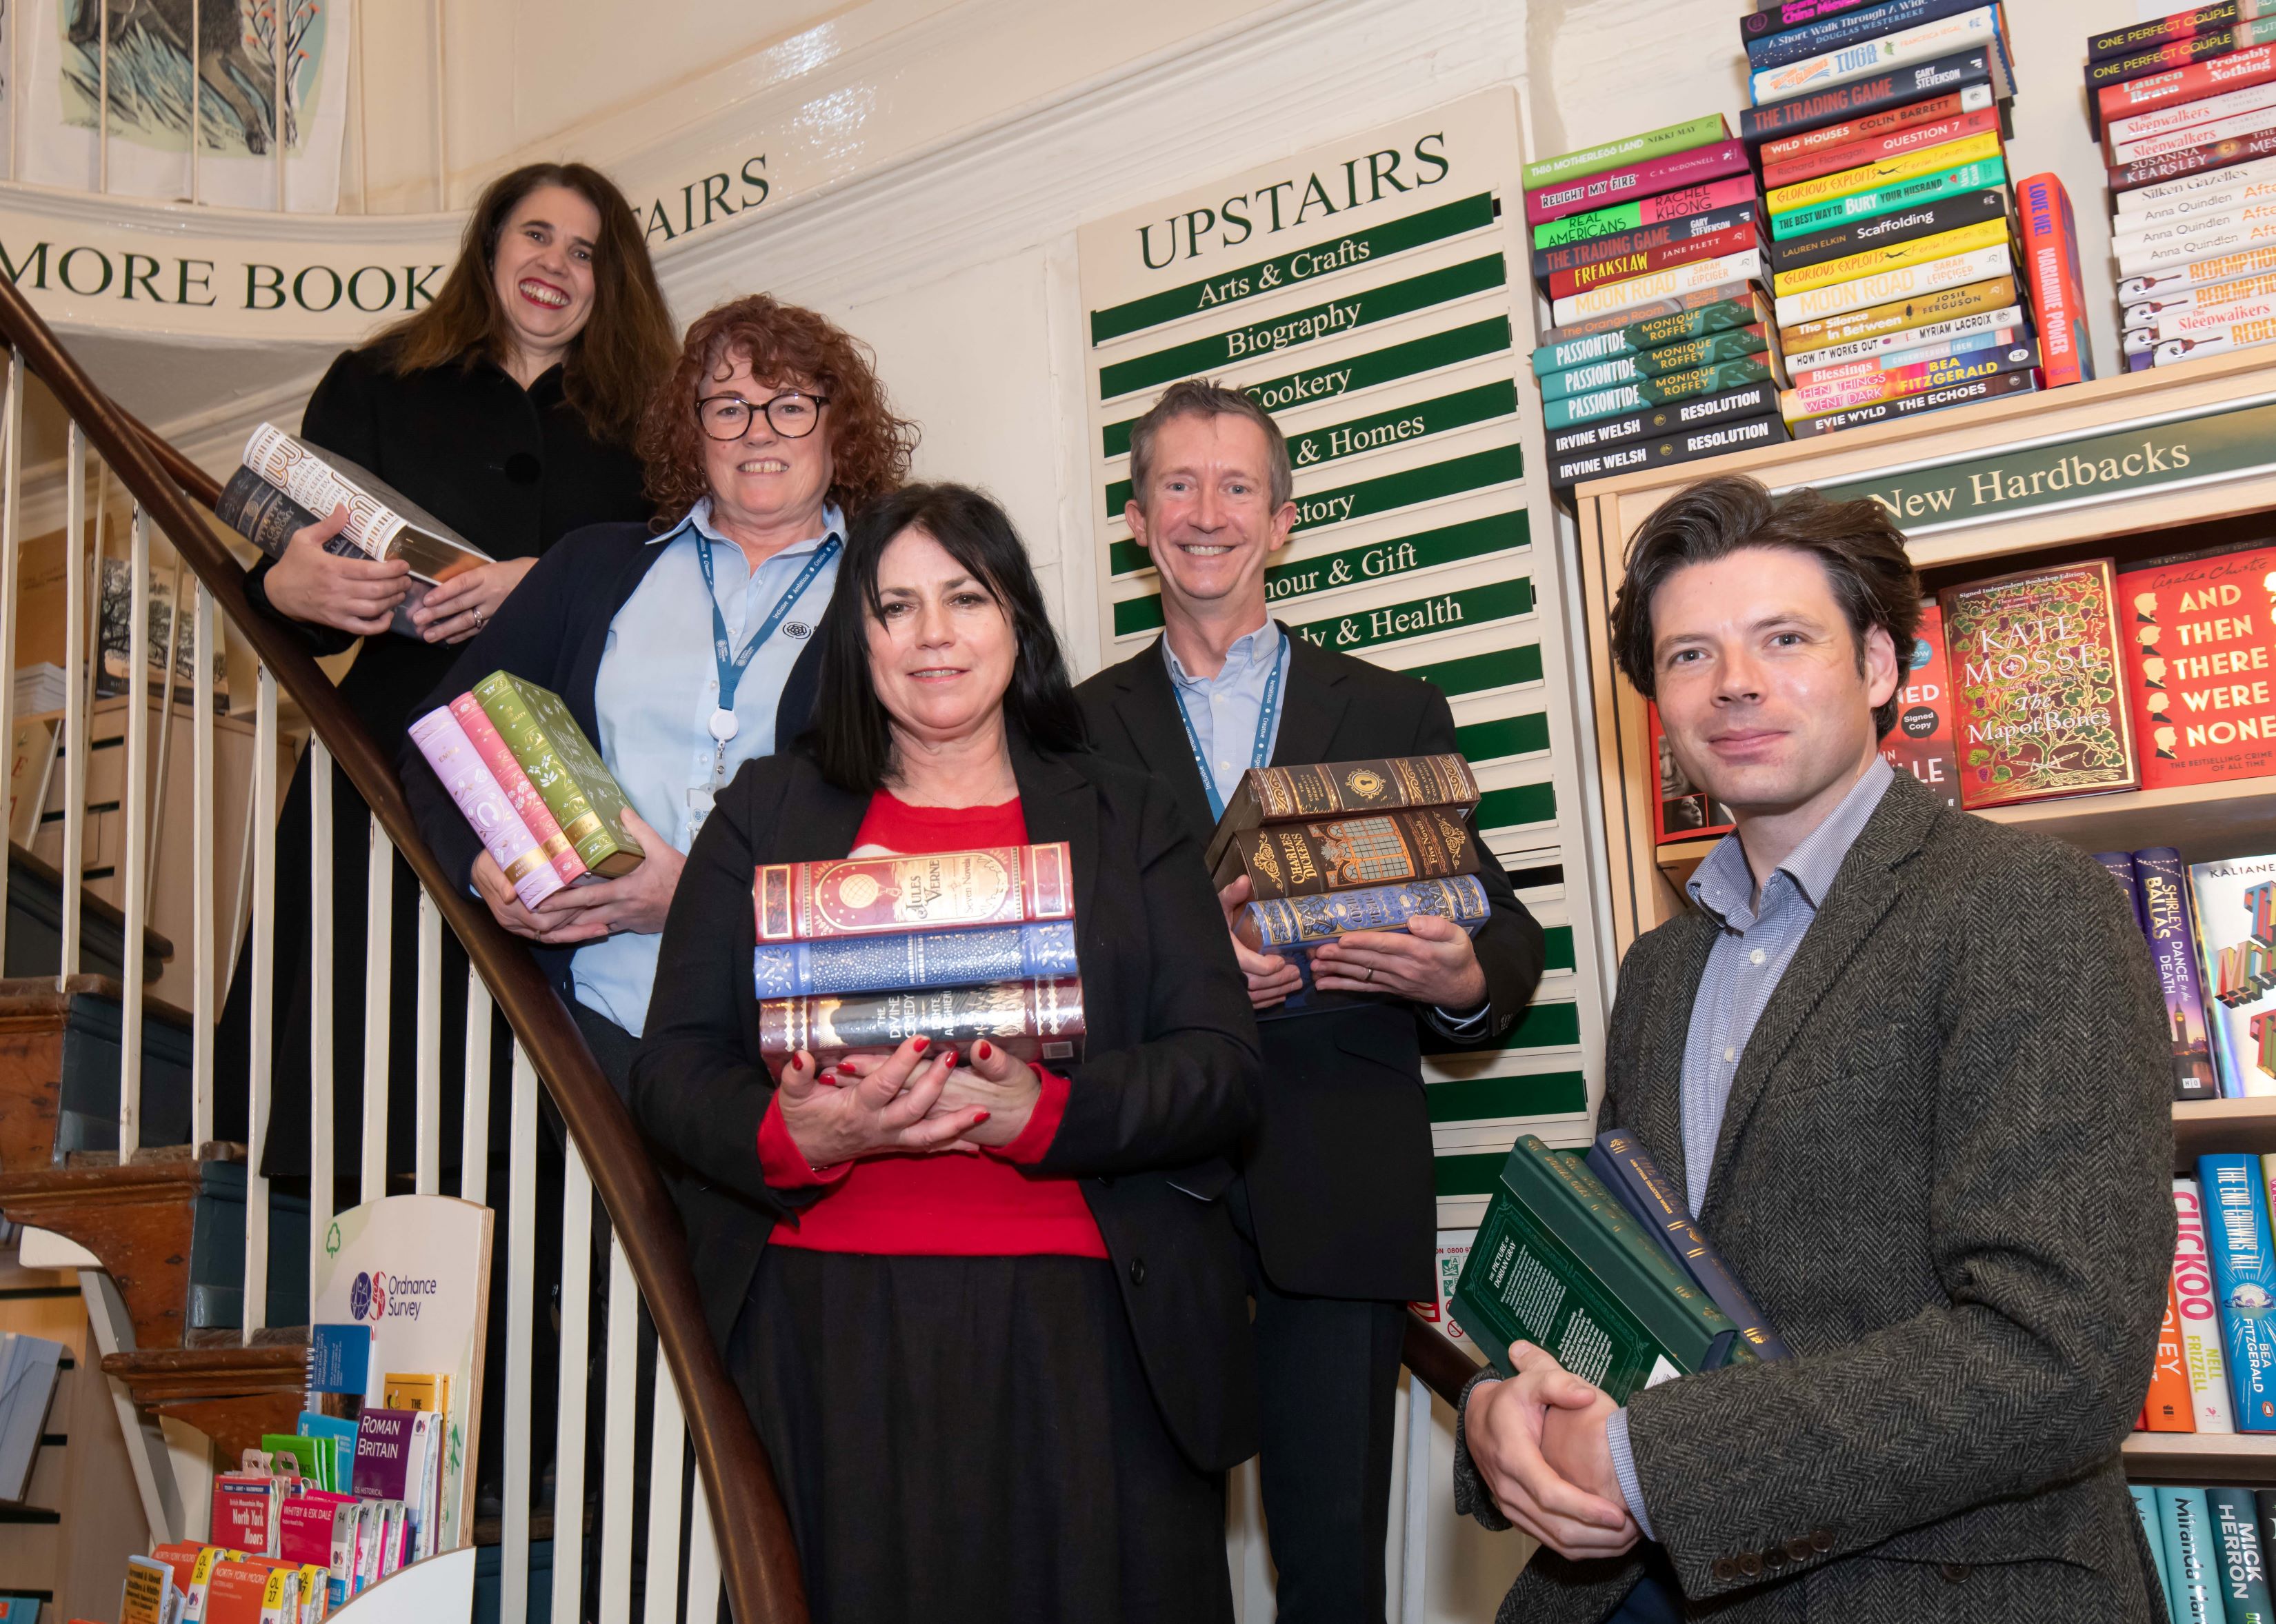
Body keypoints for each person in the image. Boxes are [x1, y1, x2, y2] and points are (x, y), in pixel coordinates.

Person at [1453, 475, 2173, 1622]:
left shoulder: (2025, 908)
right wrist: (1499, 1413)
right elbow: (1622, 1277)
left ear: (1880, 667)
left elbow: (2059, 1355)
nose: (1733, 680)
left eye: (1782, 639)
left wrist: (1651, 1463)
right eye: (1689, 655)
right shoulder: (1661, 973)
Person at [632, 483, 1262, 1623]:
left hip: (1087, 1338)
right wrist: (792, 1132)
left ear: (1014, 619)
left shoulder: (1128, 814)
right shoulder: (765, 813)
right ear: (855, 636)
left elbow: (1219, 1065)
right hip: (828, 1340)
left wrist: (1049, 1115)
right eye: (896, 607)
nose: (933, 636)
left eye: (965, 599)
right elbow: (672, 1068)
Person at [1075, 380, 1547, 1624]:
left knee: (1332, 1565)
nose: (1207, 512)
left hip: (1338, 1178)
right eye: (1178, 484)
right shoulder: (1068, 733)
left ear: (1283, 520)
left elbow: (1502, 936)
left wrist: (1456, 983)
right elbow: (1060, 970)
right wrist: (1191, 974)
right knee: (1148, 1563)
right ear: (1137, 519)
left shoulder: (1391, 710)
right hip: (1142, 1197)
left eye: (1238, 487)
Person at [221, 159, 675, 1176]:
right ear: (489, 248)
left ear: (615, 284)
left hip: (557, 777)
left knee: (525, 1112)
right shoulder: (377, 380)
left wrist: (544, 582)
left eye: (586, 251)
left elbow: (679, 601)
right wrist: (285, 590)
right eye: (536, 235)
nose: (557, 263)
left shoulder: (654, 424)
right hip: (379, 761)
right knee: (355, 1077)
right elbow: (293, 583)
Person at [399, 292, 917, 1081]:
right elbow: (441, 736)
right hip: (579, 1029)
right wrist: (480, 867)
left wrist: (701, 897)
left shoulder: (896, 591)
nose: (758, 432)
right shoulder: (593, 568)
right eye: (728, 407)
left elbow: (925, 826)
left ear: (837, 426)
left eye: (789, 406)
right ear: (691, 428)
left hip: (798, 1044)